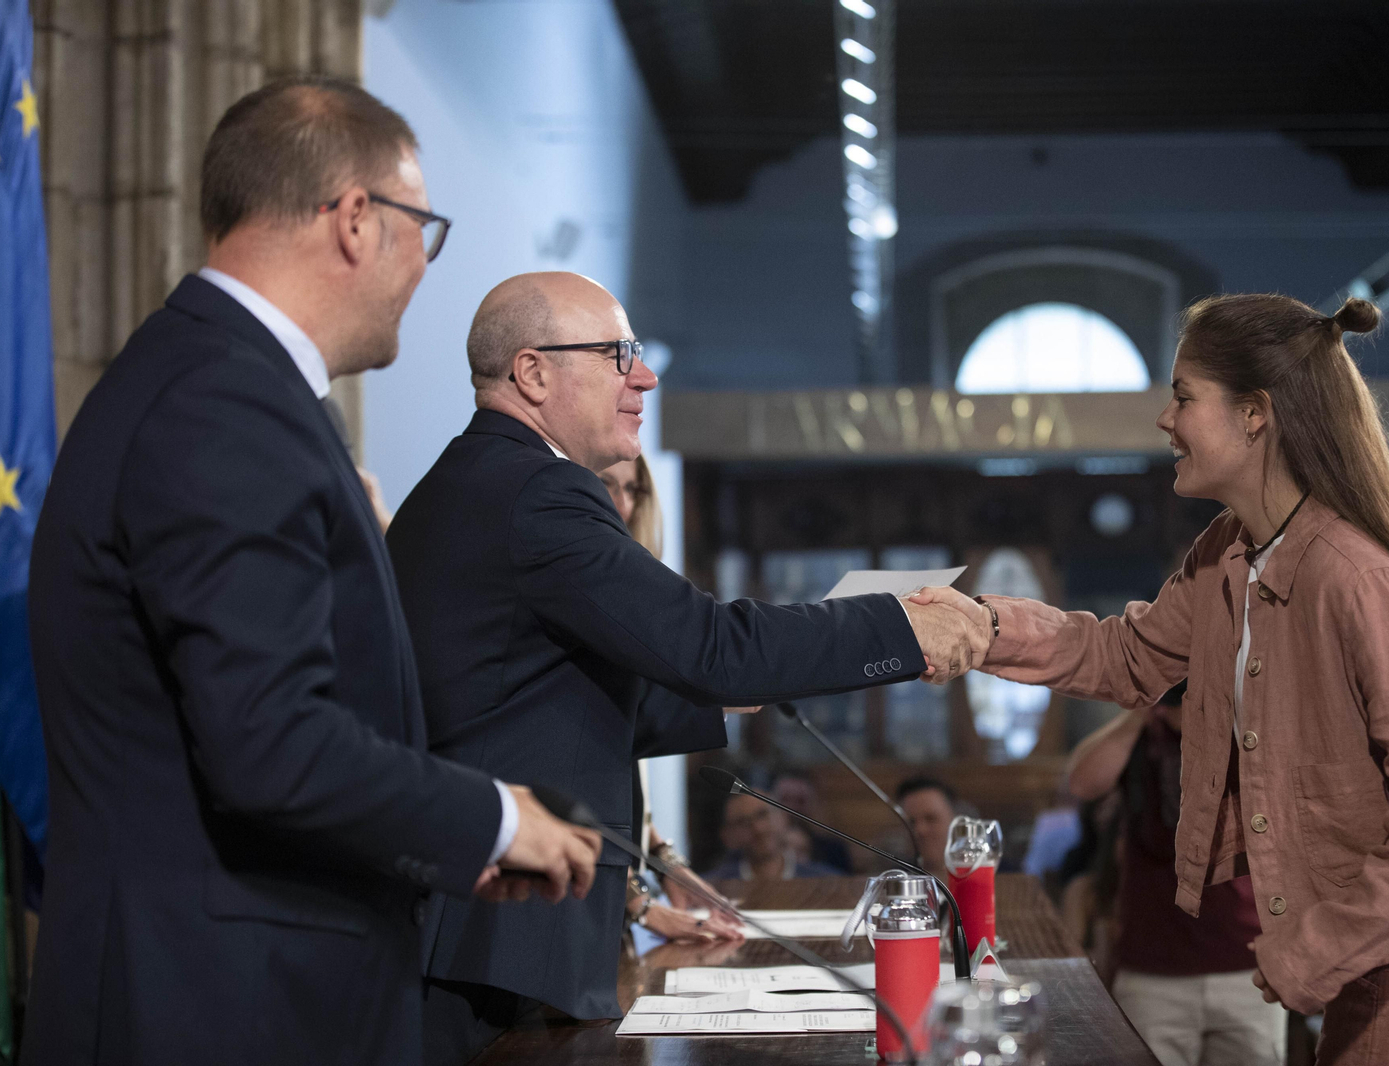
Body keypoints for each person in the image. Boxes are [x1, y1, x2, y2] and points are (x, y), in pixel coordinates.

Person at [21, 79, 599, 1066]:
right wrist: (495, 819)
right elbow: (272, 741)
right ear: (356, 219)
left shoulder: (215, 380)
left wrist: (451, 848)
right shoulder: (224, 403)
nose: (425, 263)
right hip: (213, 1008)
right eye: (425, 226)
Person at [385, 271, 985, 1061]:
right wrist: (903, 628)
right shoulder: (538, 491)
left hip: (484, 927)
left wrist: (735, 688)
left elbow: (538, 696)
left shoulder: (478, 481)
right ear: (532, 373)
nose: (645, 375)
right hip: (499, 934)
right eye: (616, 354)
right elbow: (711, 647)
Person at [916, 294, 1389, 1065]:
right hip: (1369, 950)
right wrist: (980, 627)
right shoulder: (1228, 551)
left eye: (1182, 396)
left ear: (1255, 414)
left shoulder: (1354, 577)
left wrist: (1318, 945)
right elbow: (1124, 656)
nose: (1165, 420)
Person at [1068, 683, 1285, 1066]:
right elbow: (1083, 782)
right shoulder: (1142, 732)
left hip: (1247, 963)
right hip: (1153, 969)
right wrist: (1143, 705)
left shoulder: (1247, 728)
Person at [599, 455, 746, 945]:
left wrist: (665, 860)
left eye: (633, 489)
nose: (620, 503)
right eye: (604, 485)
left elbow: (622, 762)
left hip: (613, 900)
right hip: (569, 902)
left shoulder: (627, 593)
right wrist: (639, 906)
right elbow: (570, 762)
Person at [703, 792, 841, 882]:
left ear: (783, 817)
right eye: (743, 822)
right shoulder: (712, 888)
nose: (758, 829)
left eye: (763, 815)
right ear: (728, 836)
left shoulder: (826, 881)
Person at [774, 770, 852, 873]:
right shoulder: (762, 851)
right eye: (785, 800)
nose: (792, 808)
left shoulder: (835, 849)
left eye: (800, 801)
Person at [896, 776, 959, 873]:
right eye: (911, 822)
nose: (920, 830)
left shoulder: (980, 875)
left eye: (931, 819)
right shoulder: (893, 877)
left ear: (954, 820)